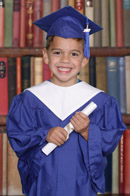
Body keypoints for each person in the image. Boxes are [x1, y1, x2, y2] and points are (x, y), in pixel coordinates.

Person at [7, 6, 126, 196]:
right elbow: (18, 137)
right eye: (57, 53)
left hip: (81, 187)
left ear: (84, 59)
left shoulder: (100, 101)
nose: (65, 60)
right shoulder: (29, 100)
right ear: (45, 56)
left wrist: (88, 131)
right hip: (42, 187)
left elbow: (109, 141)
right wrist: (44, 134)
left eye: (74, 54)